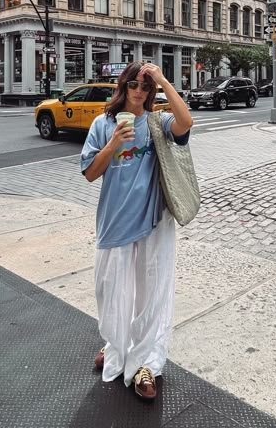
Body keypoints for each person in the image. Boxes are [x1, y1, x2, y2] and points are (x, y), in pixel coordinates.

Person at [81, 61, 193, 400]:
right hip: (114, 220)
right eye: (134, 85)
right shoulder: (103, 124)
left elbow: (186, 123)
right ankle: (116, 347)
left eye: (146, 87)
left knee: (150, 296)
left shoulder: (158, 121)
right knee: (110, 291)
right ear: (123, 87)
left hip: (154, 221)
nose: (140, 91)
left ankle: (146, 364)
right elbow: (89, 173)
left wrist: (162, 78)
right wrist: (114, 142)